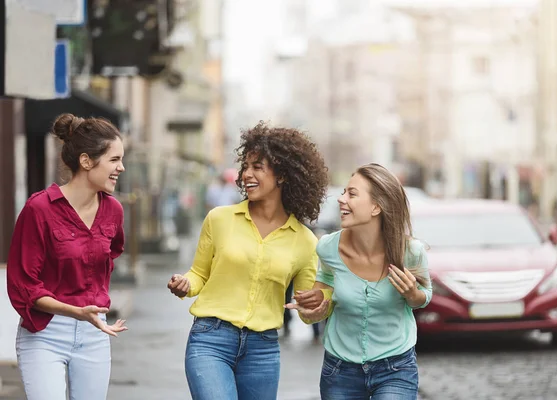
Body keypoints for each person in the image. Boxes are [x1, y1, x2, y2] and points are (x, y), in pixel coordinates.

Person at [167, 121, 329, 400]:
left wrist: (317, 304)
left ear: (282, 175)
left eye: (257, 167)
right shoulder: (219, 218)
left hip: (263, 349)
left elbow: (306, 309)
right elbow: (199, 275)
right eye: (245, 166)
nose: (246, 175)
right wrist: (185, 283)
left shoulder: (305, 241)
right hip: (210, 340)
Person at [6, 113, 128, 400]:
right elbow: (24, 286)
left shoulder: (114, 210)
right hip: (45, 332)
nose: (121, 167)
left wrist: (92, 302)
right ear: (86, 161)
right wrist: (76, 310)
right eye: (114, 160)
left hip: (95, 333)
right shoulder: (39, 210)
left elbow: (111, 253)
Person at [286, 163, 432, 400]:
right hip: (340, 371)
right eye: (344, 192)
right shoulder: (328, 247)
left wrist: (412, 294)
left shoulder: (410, 252)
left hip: (395, 368)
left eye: (352, 194)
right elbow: (318, 307)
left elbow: (424, 297)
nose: (341, 199)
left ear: (376, 206)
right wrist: (311, 309)